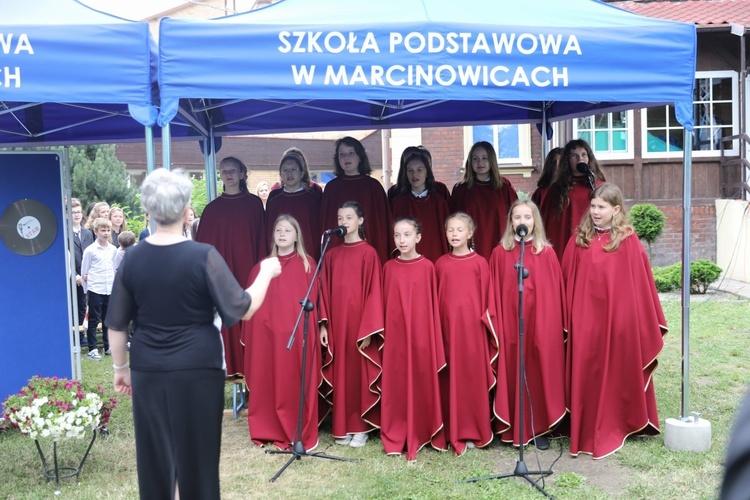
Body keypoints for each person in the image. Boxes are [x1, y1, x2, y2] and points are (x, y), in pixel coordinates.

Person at [106, 168, 281, 500]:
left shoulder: (132, 258)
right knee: (198, 454)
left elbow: (116, 324)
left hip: (149, 367)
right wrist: (267, 272)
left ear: (149, 210)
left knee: (155, 452)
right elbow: (243, 307)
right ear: (187, 211)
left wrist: (120, 369)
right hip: (199, 367)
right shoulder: (203, 256)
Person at [562, 183, 666, 459]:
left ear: (616, 209)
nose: (595, 212)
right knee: (587, 371)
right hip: (584, 321)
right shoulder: (579, 239)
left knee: (616, 371)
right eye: (593, 206)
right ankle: (584, 427)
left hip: (617, 321)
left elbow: (639, 285)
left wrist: (628, 319)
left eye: (602, 207)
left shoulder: (627, 240)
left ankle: (620, 421)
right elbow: (566, 280)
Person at [489, 200, 567, 450]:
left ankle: (538, 427)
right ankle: (512, 424)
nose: (522, 222)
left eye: (527, 217)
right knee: (513, 369)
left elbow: (555, 294)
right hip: (510, 324)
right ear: (510, 222)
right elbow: (495, 292)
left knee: (536, 369)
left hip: (540, 326)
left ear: (536, 221)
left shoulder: (547, 253)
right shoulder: (500, 252)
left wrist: (548, 327)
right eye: (517, 217)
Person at [242, 215, 321, 451]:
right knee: (267, 378)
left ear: (297, 236)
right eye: (279, 230)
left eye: (288, 230)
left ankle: (296, 431)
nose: (283, 234)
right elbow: (252, 304)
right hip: (266, 337)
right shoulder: (262, 267)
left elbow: (316, 303)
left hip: (297, 336)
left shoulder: (308, 264)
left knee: (294, 380)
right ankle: (268, 428)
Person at [380, 217, 447, 460]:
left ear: (418, 237)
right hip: (396, 336)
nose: (401, 240)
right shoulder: (388, 267)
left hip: (421, 334)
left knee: (421, 379)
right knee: (397, 383)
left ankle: (423, 429)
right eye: (397, 235)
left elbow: (432, 305)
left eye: (407, 235)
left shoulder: (428, 266)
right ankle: (397, 432)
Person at [195, 156, 266, 378]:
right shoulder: (212, 209)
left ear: (243, 173)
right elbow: (202, 249)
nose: (228, 174)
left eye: (233, 170)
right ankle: (229, 369)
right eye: (224, 170)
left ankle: (253, 372)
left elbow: (262, 240)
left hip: (248, 273)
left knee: (249, 319)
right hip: (222, 277)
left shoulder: (254, 205)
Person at [319, 201, 383, 448]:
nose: (343, 222)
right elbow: (323, 290)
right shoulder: (332, 253)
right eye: (340, 217)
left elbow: (374, 292)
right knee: (341, 372)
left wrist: (369, 328)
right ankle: (342, 425)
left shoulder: (369, 253)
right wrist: (323, 325)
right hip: (336, 323)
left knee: (358, 373)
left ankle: (361, 427)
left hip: (359, 326)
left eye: (348, 217)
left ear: (360, 220)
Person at [434, 212, 498, 455]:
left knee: (471, 380)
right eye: (450, 230)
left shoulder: (480, 263)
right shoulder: (440, 263)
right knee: (449, 379)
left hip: (472, 334)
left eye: (460, 230)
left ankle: (473, 430)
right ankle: (451, 431)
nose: (454, 234)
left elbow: (487, 299)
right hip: (447, 332)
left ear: (470, 233)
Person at [320, 136, 392, 263]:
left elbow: (382, 226)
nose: (346, 157)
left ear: (360, 156)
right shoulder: (331, 188)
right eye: (342, 154)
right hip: (339, 256)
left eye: (351, 153)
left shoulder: (373, 187)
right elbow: (326, 223)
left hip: (368, 255)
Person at [538, 139, 605, 261]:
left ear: (589, 157)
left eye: (584, 154)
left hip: (593, 247)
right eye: (574, 155)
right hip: (566, 246)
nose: (580, 159)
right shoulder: (557, 189)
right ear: (567, 160)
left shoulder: (599, 187)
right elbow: (548, 224)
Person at [449, 141, 518, 260]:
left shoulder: (504, 190)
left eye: (484, 158)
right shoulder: (461, 191)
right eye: (475, 159)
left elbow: (515, 220)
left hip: (500, 247)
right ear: (470, 162)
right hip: (470, 249)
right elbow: (453, 222)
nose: (480, 162)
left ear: (492, 160)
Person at [389, 147, 451, 262]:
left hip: (434, 257)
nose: (414, 175)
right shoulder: (398, 203)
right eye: (410, 171)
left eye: (419, 170)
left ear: (427, 173)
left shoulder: (439, 203)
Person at [264, 148, 323, 261]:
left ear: (301, 173)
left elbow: (316, 233)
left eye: (293, 169)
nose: (289, 173)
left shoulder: (312, 200)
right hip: (281, 258)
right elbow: (269, 234)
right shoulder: (274, 201)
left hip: (307, 257)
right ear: (280, 174)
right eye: (285, 170)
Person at [81, 217, 117, 360]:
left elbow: (115, 269)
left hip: (110, 288)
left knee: (108, 319)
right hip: (96, 288)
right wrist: (86, 289)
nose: (106, 233)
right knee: (94, 319)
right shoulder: (90, 250)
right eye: (103, 230)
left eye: (108, 230)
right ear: (96, 232)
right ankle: (93, 348)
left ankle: (108, 346)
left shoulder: (113, 249)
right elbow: (85, 271)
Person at [70, 198, 94, 347]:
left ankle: (81, 334)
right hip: (72, 275)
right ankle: (73, 334)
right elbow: (66, 256)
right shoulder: (65, 232)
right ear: (67, 215)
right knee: (73, 305)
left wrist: (88, 273)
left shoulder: (87, 233)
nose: (76, 215)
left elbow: (91, 254)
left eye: (78, 212)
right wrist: (76, 276)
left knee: (83, 305)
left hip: (87, 275)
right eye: (73, 212)